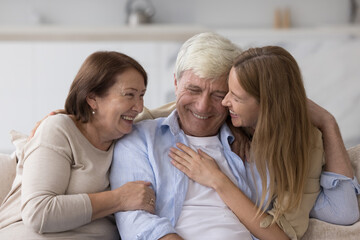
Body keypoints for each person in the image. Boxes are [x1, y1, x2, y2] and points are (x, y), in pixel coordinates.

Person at [110, 32, 359, 240]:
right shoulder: (140, 139)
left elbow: (339, 212)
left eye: (220, 95)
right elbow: (135, 221)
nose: (203, 107)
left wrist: (328, 124)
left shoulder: (254, 144)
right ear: (175, 84)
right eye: (193, 90)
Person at [0, 51, 155, 239]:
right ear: (93, 99)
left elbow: (174, 112)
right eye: (129, 95)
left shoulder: (130, 135)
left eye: (142, 96)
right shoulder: (60, 129)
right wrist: (120, 198)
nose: (139, 107)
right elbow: (38, 212)